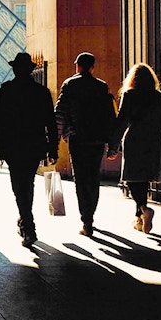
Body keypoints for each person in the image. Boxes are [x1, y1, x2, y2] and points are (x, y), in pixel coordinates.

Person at [0, 53, 58, 248]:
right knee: (27, 184)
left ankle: (28, 223)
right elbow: (50, 124)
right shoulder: (41, 92)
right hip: (34, 145)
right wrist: (53, 148)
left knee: (18, 185)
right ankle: (26, 220)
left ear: (15, 69)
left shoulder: (6, 91)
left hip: (12, 145)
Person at [55, 51, 117, 237]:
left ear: (78, 66)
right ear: (92, 67)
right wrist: (113, 144)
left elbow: (60, 113)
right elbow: (110, 117)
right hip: (97, 140)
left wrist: (56, 140)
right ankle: (90, 215)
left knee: (81, 179)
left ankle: (86, 219)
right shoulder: (101, 87)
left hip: (78, 139)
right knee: (93, 178)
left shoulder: (70, 85)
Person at [109, 63, 161, 234]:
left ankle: (144, 209)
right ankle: (139, 218)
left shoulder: (130, 94)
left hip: (134, 138)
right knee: (144, 177)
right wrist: (155, 132)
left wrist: (114, 145)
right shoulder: (158, 96)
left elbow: (122, 121)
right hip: (152, 140)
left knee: (132, 178)